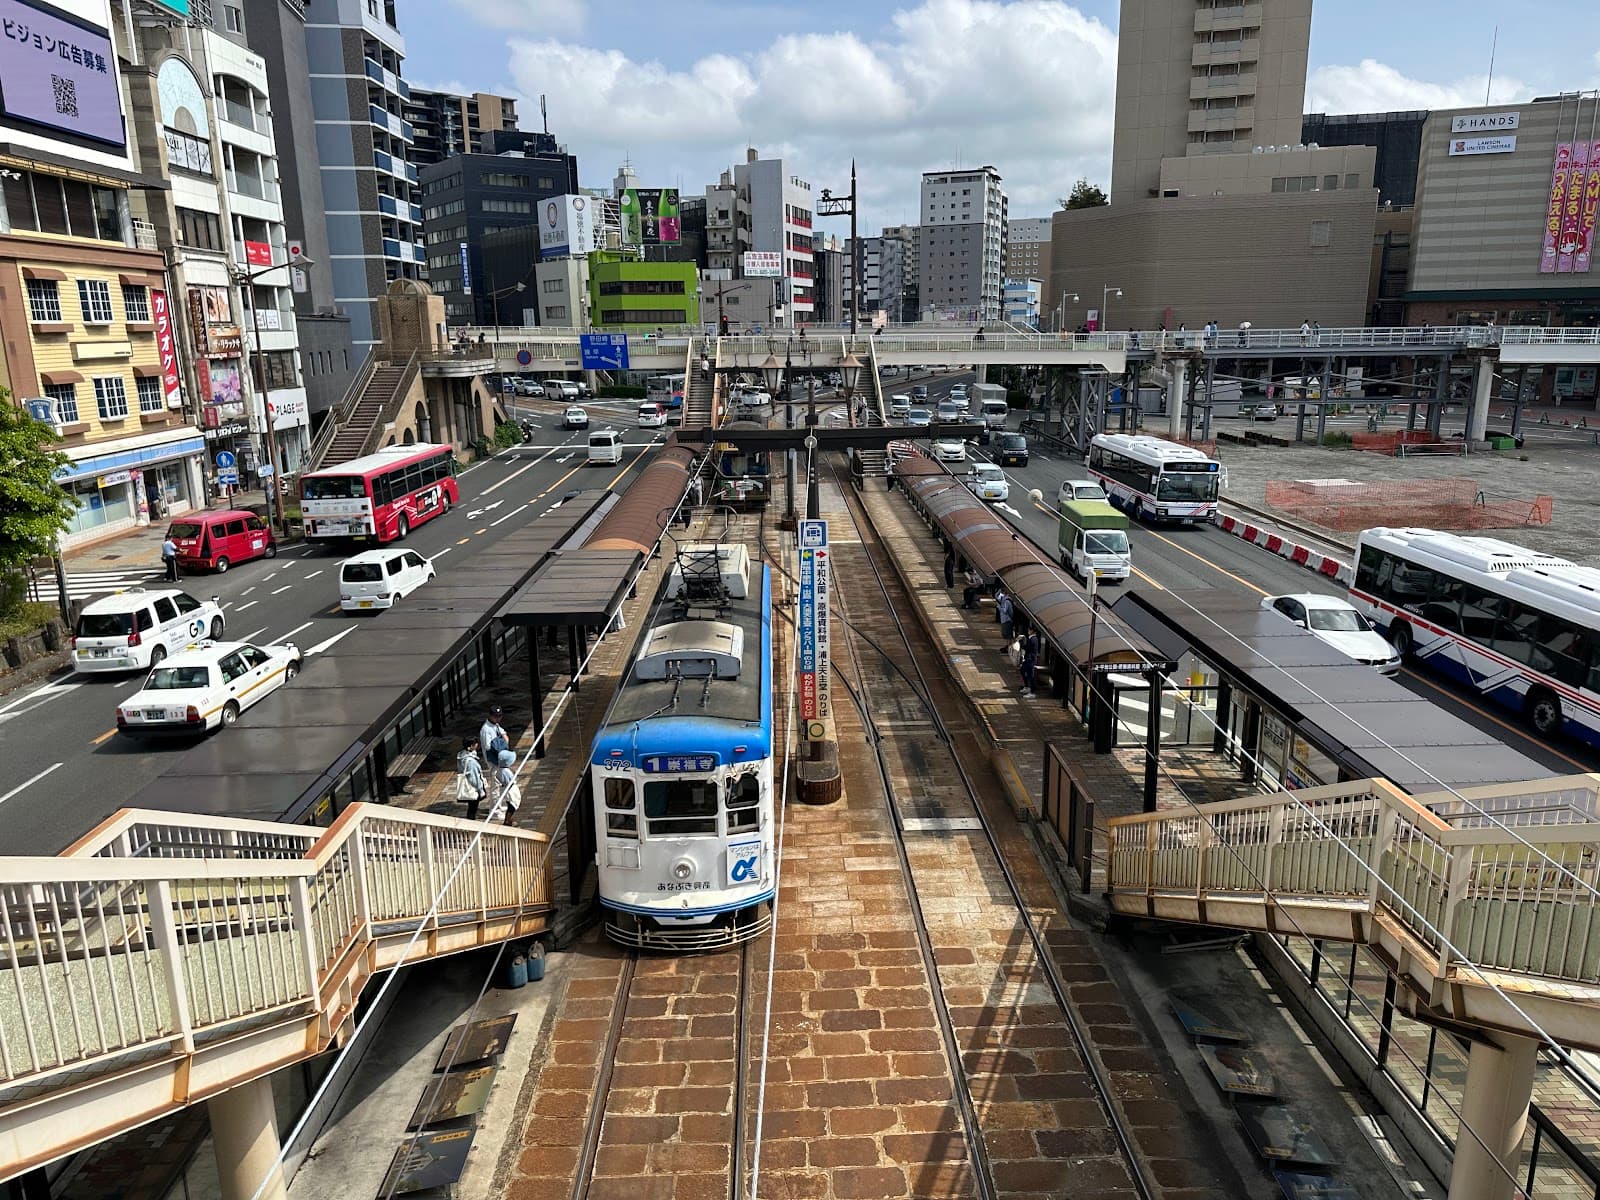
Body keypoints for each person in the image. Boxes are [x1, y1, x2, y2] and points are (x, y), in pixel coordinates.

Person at [479, 706, 516, 792]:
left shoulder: (496, 725)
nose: (498, 718)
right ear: (490, 716)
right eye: (496, 716)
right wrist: (500, 743)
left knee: (501, 781)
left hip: (500, 759)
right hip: (493, 760)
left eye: (500, 716)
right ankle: (495, 805)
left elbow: (504, 734)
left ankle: (497, 803)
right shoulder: (486, 729)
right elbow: (488, 746)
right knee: (496, 783)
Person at [456, 735, 488, 822]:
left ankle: (470, 821)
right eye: (475, 744)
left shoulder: (461, 756)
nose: (477, 745)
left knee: (471, 807)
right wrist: (480, 789)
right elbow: (474, 778)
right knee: (473, 807)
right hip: (472, 788)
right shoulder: (471, 762)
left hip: (467, 785)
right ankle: (471, 824)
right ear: (470, 746)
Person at [1019, 627, 1040, 698]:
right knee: (1022, 670)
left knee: (1031, 675)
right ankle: (1027, 687)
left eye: (1029, 630)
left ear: (1032, 631)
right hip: (1028, 659)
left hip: (1030, 659)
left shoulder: (1033, 639)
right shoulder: (1031, 638)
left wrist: (1021, 641)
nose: (1028, 631)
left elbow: (1027, 648)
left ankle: (1032, 692)